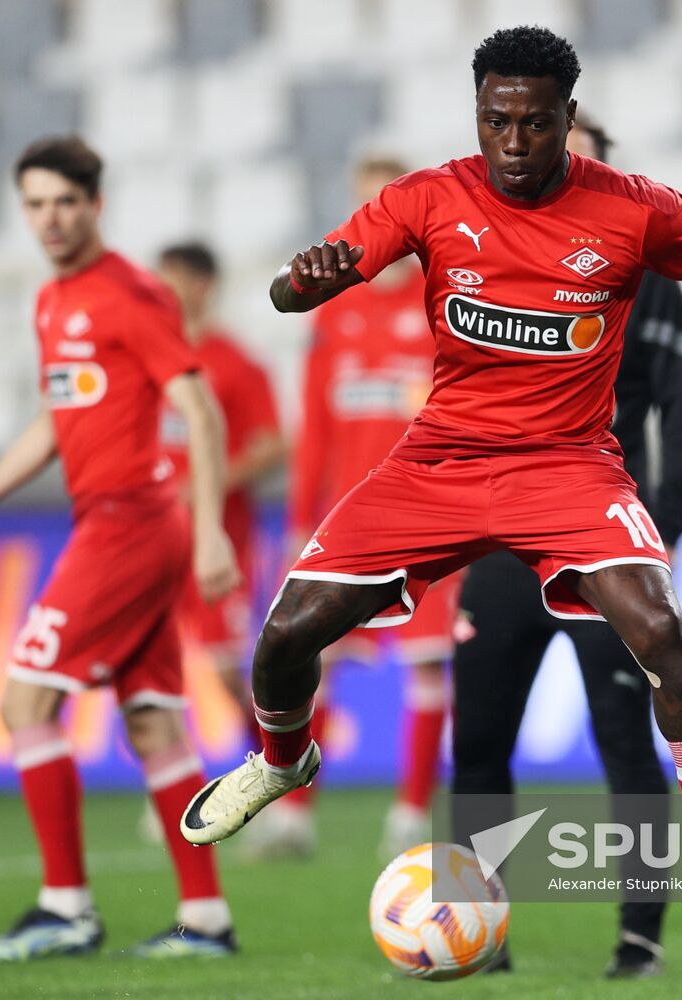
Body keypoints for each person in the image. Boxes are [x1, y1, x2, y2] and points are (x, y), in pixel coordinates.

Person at [182, 26, 682, 964]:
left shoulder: (633, 210)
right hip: (438, 464)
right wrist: (301, 282)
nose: (515, 144)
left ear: (569, 119)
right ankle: (282, 762)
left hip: (567, 468)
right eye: (497, 123)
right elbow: (297, 290)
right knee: (284, 636)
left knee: (663, 638)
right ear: (477, 116)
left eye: (534, 124)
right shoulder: (427, 197)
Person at [0, 135, 242, 961]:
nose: (50, 218)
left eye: (65, 201)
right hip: (115, 521)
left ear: (95, 205)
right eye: (35, 204)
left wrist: (208, 528)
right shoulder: (52, 302)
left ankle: (65, 907)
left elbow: (199, 410)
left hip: (130, 524)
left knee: (24, 703)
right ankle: (204, 919)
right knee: (153, 726)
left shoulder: (130, 294)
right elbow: (54, 424)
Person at [449, 113, 682, 980]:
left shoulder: (648, 273)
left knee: (624, 741)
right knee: (478, 741)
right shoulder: (496, 262)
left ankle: (639, 942)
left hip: (599, 549)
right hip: (499, 552)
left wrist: (650, 543)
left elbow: (681, 419)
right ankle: (478, 939)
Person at [255, 155, 455, 860]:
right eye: (363, 205)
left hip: (432, 512)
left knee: (428, 663)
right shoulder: (333, 311)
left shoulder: (442, 303)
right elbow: (312, 429)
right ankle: (292, 818)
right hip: (350, 517)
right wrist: (296, 524)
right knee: (319, 657)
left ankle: (408, 813)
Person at [157, 241, 285, 740]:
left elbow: (273, 446)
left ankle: (279, 763)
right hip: (152, 536)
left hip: (217, 536)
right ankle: (167, 781)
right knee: (151, 662)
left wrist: (209, 482)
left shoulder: (233, 363)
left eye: (172, 282)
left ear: (202, 286)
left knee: (229, 670)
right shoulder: (145, 354)